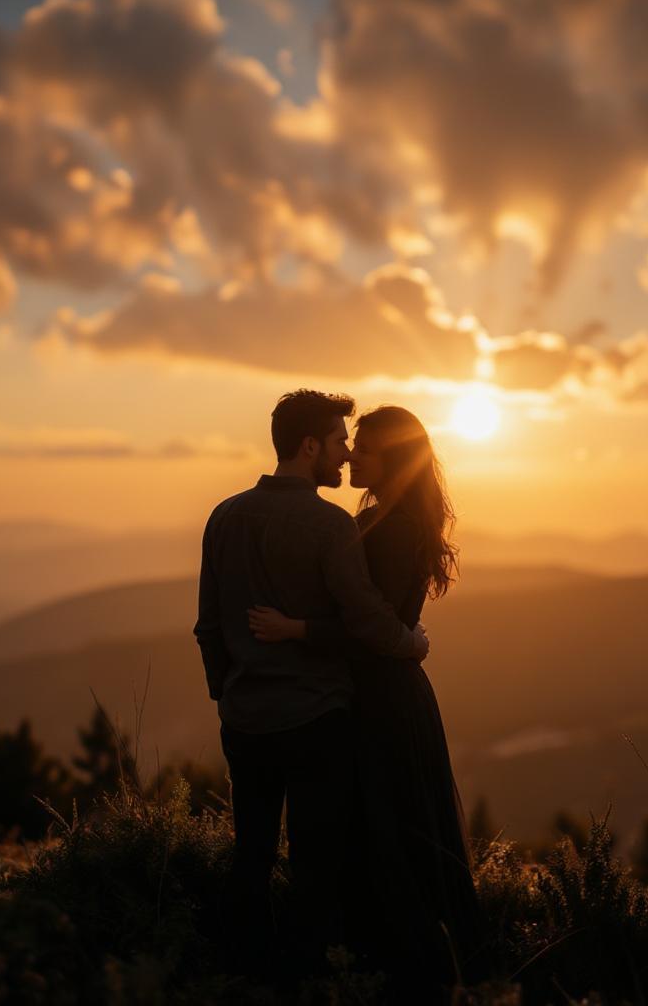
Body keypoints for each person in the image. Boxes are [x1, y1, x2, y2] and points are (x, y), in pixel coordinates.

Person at [249, 405, 486, 999]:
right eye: (350, 444)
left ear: (395, 462)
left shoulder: (394, 529)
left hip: (385, 700)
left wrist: (296, 629)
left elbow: (369, 627)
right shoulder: (383, 520)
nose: (352, 455)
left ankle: (407, 974)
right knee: (386, 834)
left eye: (366, 449)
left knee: (392, 836)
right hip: (381, 693)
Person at [193, 390, 429, 979]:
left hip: (246, 723)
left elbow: (208, 627)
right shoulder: (331, 525)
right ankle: (304, 982)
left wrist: (229, 693)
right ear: (309, 446)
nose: (345, 453)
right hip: (317, 721)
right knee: (315, 865)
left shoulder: (224, 515)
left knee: (249, 857)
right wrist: (413, 644)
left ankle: (238, 974)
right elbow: (367, 618)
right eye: (338, 441)